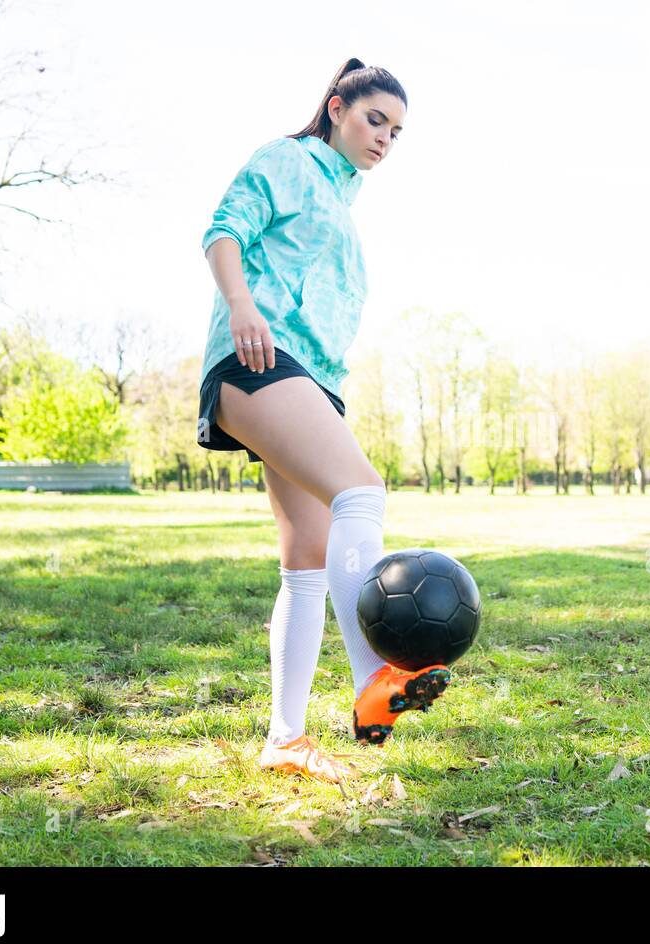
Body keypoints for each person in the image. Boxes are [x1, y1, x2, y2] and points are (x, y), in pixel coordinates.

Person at [195, 59, 448, 784]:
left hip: (311, 381)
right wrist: (242, 306)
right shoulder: (287, 160)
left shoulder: (342, 198)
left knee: (307, 558)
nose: (385, 138)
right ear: (337, 108)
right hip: (260, 356)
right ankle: (376, 677)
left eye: (397, 132)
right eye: (375, 120)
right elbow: (222, 231)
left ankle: (285, 739)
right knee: (361, 492)